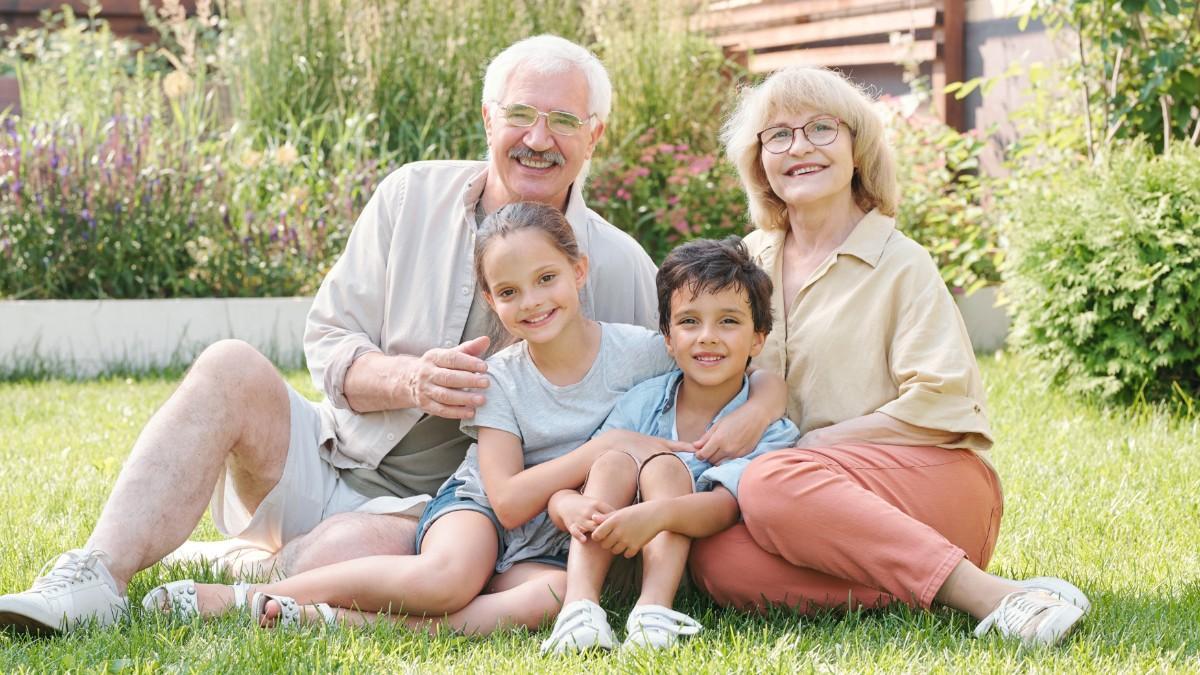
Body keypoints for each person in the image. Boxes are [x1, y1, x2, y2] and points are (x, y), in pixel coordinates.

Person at [0, 35, 776, 635]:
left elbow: (691, 372)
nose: (539, 137)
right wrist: (408, 380)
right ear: (487, 118)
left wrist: (759, 400)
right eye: (520, 114)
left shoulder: (620, 268)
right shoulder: (409, 197)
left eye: (565, 120)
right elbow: (329, 339)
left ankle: (239, 571)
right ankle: (92, 576)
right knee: (231, 363)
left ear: (595, 135)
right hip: (335, 451)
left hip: (445, 510)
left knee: (352, 558)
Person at [152, 204, 782, 633]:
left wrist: (763, 403)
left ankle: (332, 622)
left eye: (546, 278)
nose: (532, 301)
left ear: (579, 272)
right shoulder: (501, 379)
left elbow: (735, 368)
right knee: (449, 579)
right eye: (509, 292)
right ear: (491, 300)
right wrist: (604, 449)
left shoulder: (643, 352)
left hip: (566, 535)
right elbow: (506, 499)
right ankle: (236, 598)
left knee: (551, 599)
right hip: (483, 505)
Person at [686, 66, 1091, 647]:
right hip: (804, 513)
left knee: (770, 481)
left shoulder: (902, 262)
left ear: (858, 150)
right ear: (760, 163)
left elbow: (944, 400)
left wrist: (814, 448)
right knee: (717, 561)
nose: (798, 147)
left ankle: (993, 600)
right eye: (777, 135)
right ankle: (966, 586)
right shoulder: (746, 262)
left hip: (924, 484)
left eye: (821, 129)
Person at [539, 237, 800, 653]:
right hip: (612, 549)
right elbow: (580, 481)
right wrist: (565, 506)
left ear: (758, 339)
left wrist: (654, 516)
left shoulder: (769, 429)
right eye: (689, 322)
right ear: (667, 337)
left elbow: (724, 507)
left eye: (729, 322)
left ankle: (653, 613)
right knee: (613, 458)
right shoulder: (644, 400)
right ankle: (580, 608)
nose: (708, 337)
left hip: (690, 563)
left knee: (663, 466)